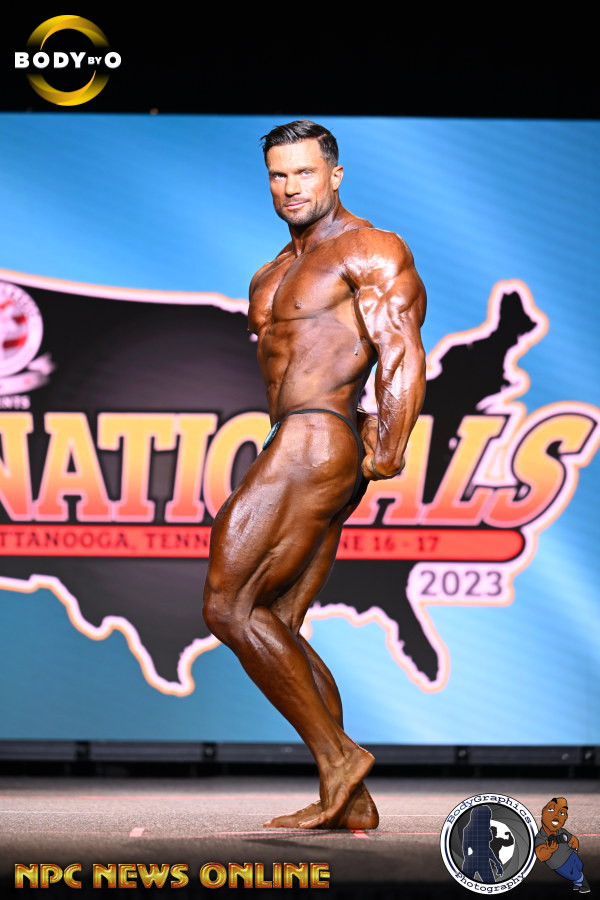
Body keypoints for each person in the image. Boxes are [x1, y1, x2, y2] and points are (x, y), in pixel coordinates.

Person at [203, 120, 426, 830]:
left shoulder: (368, 247)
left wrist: (390, 443)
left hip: (318, 434)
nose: (290, 186)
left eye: (304, 172)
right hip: (297, 435)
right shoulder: (270, 273)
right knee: (275, 621)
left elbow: (400, 346)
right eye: (279, 174)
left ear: (335, 174)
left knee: (228, 606)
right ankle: (351, 799)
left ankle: (339, 759)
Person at [535, 797, 590, 893]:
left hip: (571, 856)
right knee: (573, 875)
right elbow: (541, 855)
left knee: (577, 868)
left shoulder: (561, 831)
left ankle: (578, 883)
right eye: (551, 809)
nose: (556, 815)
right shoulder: (541, 837)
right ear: (543, 811)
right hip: (558, 864)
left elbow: (573, 840)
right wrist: (549, 851)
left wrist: (575, 851)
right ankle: (583, 882)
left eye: (562, 813)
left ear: (565, 817)